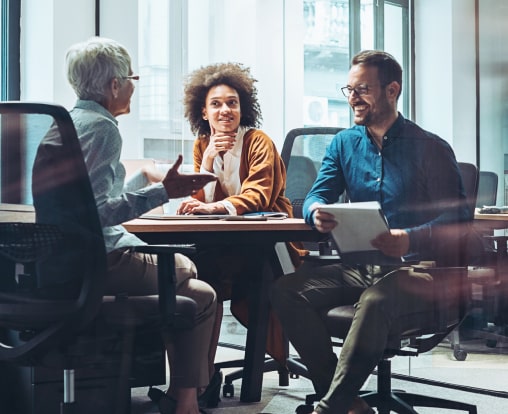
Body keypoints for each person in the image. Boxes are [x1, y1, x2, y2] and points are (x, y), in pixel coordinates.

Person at [270, 50, 475, 414]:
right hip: (363, 265)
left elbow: (458, 217)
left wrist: (410, 237)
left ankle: (331, 407)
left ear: (392, 90)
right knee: (287, 291)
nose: (353, 98)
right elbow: (318, 193)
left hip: (423, 270)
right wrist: (315, 211)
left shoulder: (430, 147)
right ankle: (348, 404)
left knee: (377, 300)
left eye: (362, 89)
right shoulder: (344, 144)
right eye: (349, 89)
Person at [62, 36, 218, 414]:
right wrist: (163, 193)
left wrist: (149, 183)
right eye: (132, 77)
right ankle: (187, 402)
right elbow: (96, 213)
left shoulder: (67, 123)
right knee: (186, 269)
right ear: (114, 85)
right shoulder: (103, 128)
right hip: (101, 261)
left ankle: (184, 401)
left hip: (64, 262)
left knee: (198, 295)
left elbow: (86, 198)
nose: (134, 85)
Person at [178, 62, 305, 383]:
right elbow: (201, 200)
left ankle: (204, 380)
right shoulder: (201, 145)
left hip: (270, 245)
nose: (225, 110)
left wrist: (213, 206)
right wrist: (207, 160)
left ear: (242, 108)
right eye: (216, 104)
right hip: (227, 241)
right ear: (203, 112)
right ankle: (200, 377)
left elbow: (259, 195)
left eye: (232, 103)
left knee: (210, 273)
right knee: (196, 274)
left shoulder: (258, 141)